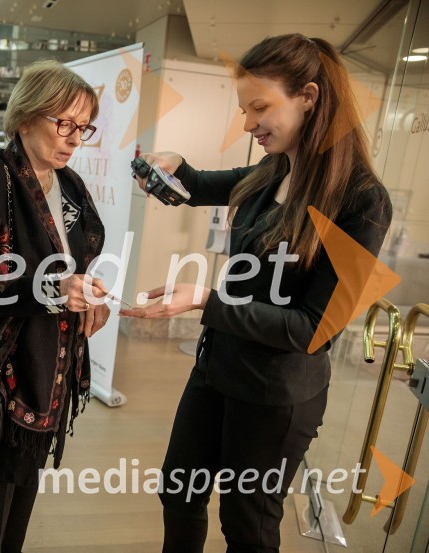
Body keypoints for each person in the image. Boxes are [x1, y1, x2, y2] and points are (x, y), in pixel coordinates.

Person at [120, 34, 393, 553]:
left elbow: (314, 329)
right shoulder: (276, 170)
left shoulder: (362, 201)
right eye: (245, 109)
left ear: (309, 97)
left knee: (248, 527)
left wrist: (206, 301)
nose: (248, 125)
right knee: (178, 493)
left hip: (275, 395)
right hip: (217, 371)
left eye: (260, 108)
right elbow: (198, 184)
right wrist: (173, 168)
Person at [0, 60, 110, 553]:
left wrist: (87, 300)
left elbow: (80, 259)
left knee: (23, 501)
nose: (74, 138)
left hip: (49, 373)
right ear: (25, 116)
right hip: (1, 367)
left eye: (83, 127)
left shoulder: (70, 185)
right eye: (64, 124)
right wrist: (58, 292)